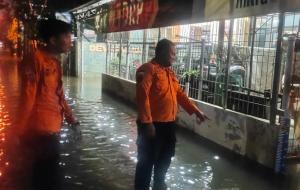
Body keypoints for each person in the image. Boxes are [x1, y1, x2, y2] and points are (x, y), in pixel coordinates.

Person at [135, 39, 208, 190]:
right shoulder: (149, 69)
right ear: (161, 52)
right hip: (152, 126)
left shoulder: (169, 73)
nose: (174, 57)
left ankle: (159, 185)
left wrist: (195, 111)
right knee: (146, 163)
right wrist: (148, 123)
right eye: (172, 54)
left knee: (164, 160)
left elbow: (180, 95)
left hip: (168, 125)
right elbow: (142, 95)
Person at [15, 19, 78, 190]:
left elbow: (59, 93)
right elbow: (27, 97)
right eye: (66, 35)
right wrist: (19, 131)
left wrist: (71, 118)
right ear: (52, 40)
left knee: (46, 176)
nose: (70, 39)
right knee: (47, 178)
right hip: (40, 130)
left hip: (52, 128)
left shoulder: (55, 61)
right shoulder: (35, 60)